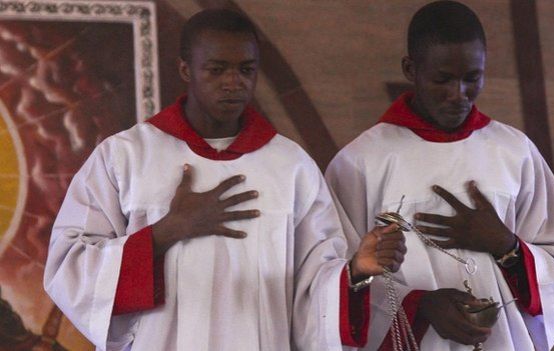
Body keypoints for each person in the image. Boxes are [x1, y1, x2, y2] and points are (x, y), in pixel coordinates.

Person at [43, 9, 406, 351]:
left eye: (246, 70)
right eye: (216, 70)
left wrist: (356, 270)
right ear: (186, 70)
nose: (233, 83)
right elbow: (69, 266)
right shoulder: (125, 157)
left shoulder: (290, 166)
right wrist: (167, 230)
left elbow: (314, 287)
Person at [325, 1, 554, 350]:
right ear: (411, 69)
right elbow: (333, 279)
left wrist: (506, 246)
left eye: (471, 78)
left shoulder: (514, 151)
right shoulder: (360, 162)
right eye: (443, 79)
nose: (458, 95)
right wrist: (420, 305)